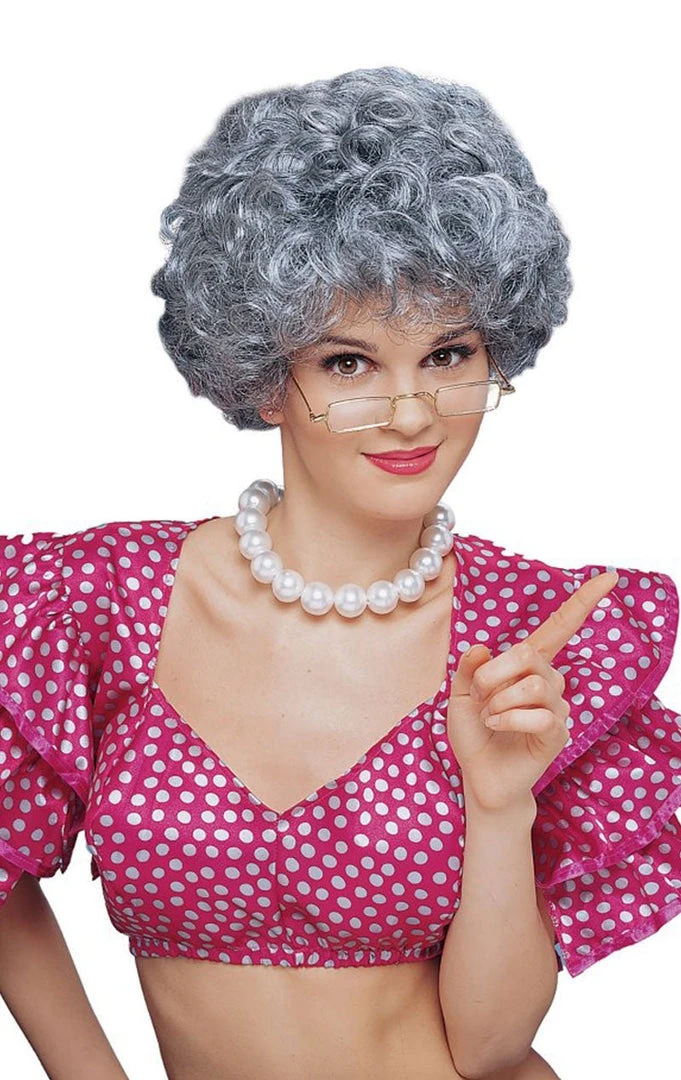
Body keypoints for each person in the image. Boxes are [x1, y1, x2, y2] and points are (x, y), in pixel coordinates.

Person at [1, 65, 679, 1080]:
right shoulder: (102, 600)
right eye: (349, 362)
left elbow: (490, 1047)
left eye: (447, 355)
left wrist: (502, 805)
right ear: (265, 377)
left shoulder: (527, 637)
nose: (410, 414)